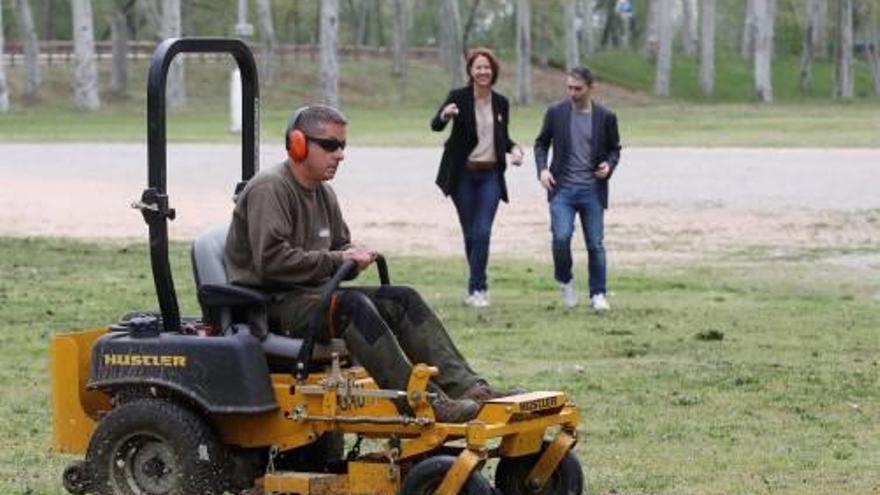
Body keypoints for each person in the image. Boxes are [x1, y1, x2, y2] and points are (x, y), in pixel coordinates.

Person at [224, 105, 508, 423]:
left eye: (342, 146)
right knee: (352, 307)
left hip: (313, 296)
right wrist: (339, 260)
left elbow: (338, 246)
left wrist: (352, 253)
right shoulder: (271, 188)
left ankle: (470, 390)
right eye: (330, 145)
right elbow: (272, 262)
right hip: (273, 305)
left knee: (403, 298)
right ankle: (422, 403)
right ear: (298, 144)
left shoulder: (323, 193)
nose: (340, 154)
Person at [430, 47, 524, 308]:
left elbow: (502, 139)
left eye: (487, 67)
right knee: (471, 233)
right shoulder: (458, 97)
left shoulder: (501, 102)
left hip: (491, 175)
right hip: (463, 175)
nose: (483, 71)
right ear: (471, 71)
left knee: (482, 231)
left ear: (493, 71)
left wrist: (515, 150)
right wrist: (444, 115)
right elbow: (435, 125)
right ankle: (476, 286)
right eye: (478, 67)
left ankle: (478, 288)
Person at [533, 67, 621, 312]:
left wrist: (609, 165)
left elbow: (615, 149)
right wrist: (542, 170)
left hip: (592, 190)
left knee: (595, 244)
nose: (572, 93)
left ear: (591, 88)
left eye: (578, 88)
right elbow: (541, 143)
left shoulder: (606, 116)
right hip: (562, 189)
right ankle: (565, 280)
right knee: (561, 238)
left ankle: (598, 293)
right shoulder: (556, 113)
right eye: (569, 87)